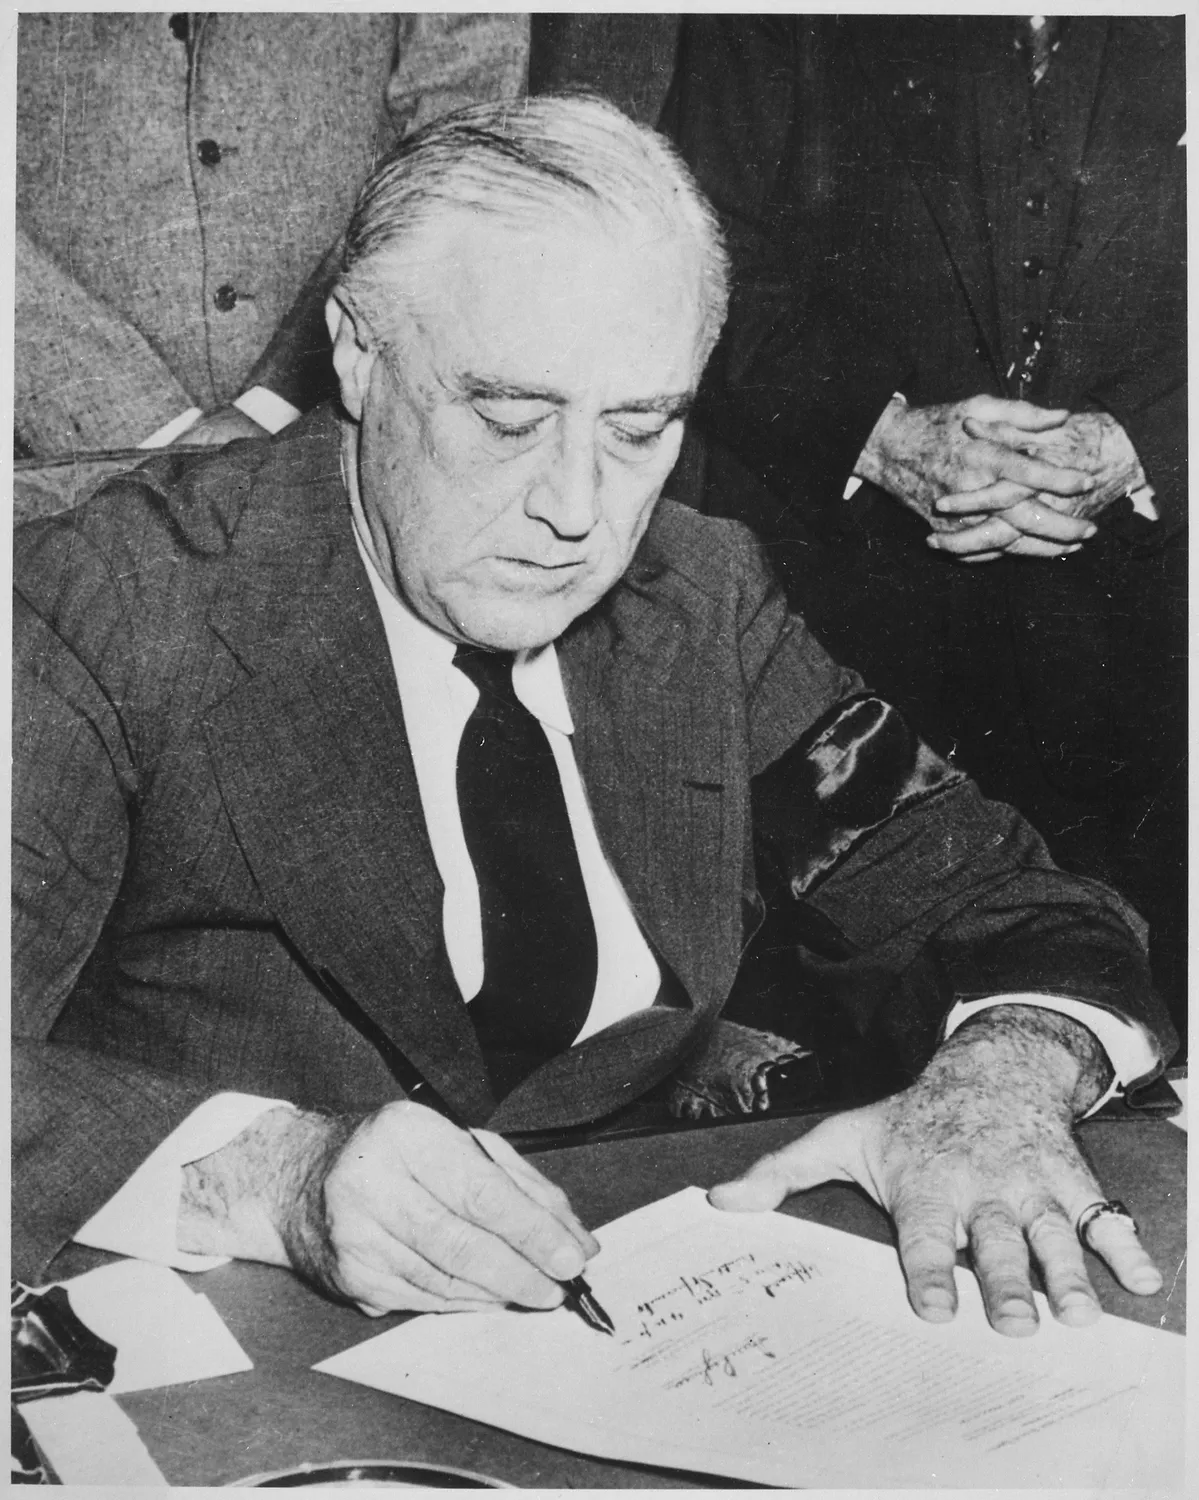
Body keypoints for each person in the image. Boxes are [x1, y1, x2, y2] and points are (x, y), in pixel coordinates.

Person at [13, 96, 1176, 1340]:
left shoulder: (698, 594)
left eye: (638, 428)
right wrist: (260, 1174)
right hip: (225, 1341)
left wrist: (996, 1081)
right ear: (355, 352)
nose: (576, 508)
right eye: (509, 419)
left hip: (667, 1324)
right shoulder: (116, 601)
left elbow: (1000, 903)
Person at [662, 16, 1187, 1046]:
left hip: (1151, 622)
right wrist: (882, 434)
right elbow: (687, 240)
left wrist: (1148, 444)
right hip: (835, 604)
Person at [14, 11, 529, 518]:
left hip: (351, 432)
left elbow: (461, 130)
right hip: (60, 461)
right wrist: (147, 432)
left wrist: (278, 398)